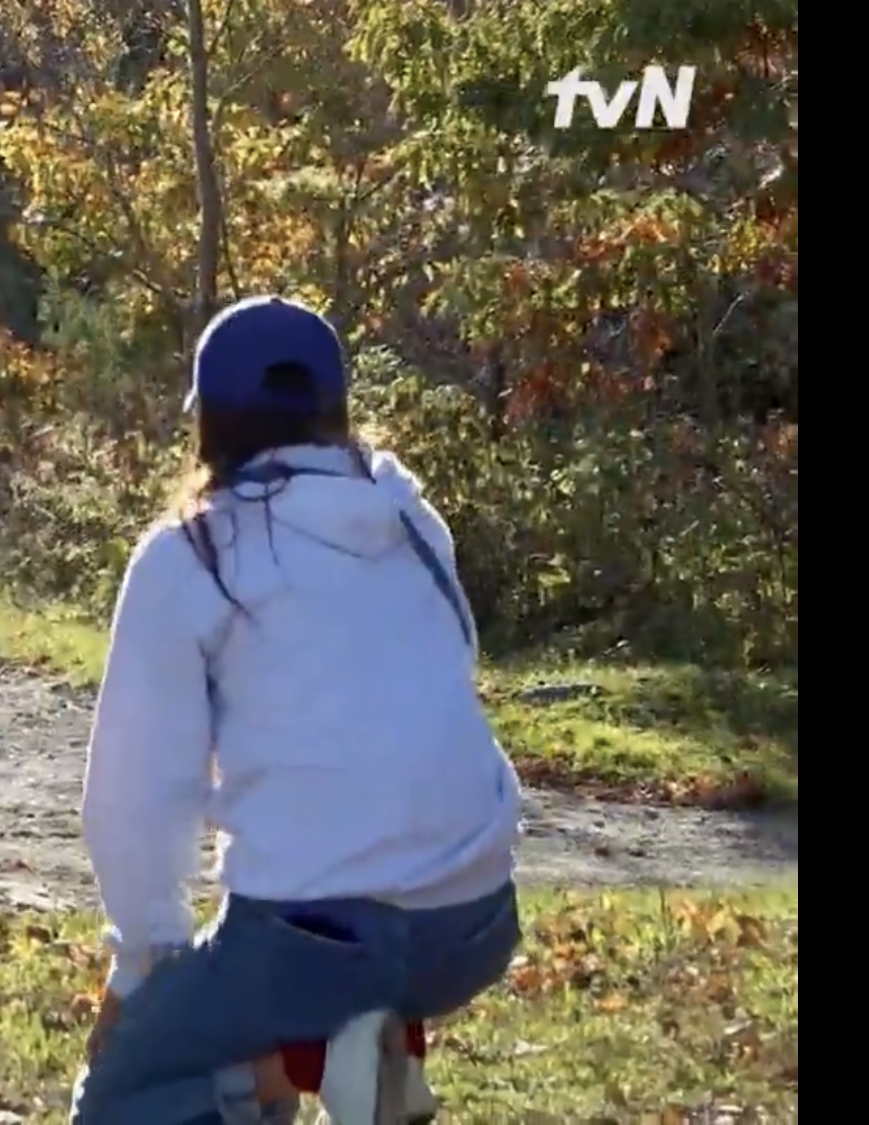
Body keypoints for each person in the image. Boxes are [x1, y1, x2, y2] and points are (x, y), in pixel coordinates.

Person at [71, 296, 523, 1125]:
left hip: (316, 942)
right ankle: (341, 1053)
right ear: (337, 410)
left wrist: (140, 966)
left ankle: (310, 1059)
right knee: (259, 1002)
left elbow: (136, 796)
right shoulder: (412, 521)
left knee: (123, 1095)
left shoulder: (192, 552)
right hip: (476, 925)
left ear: (209, 423)